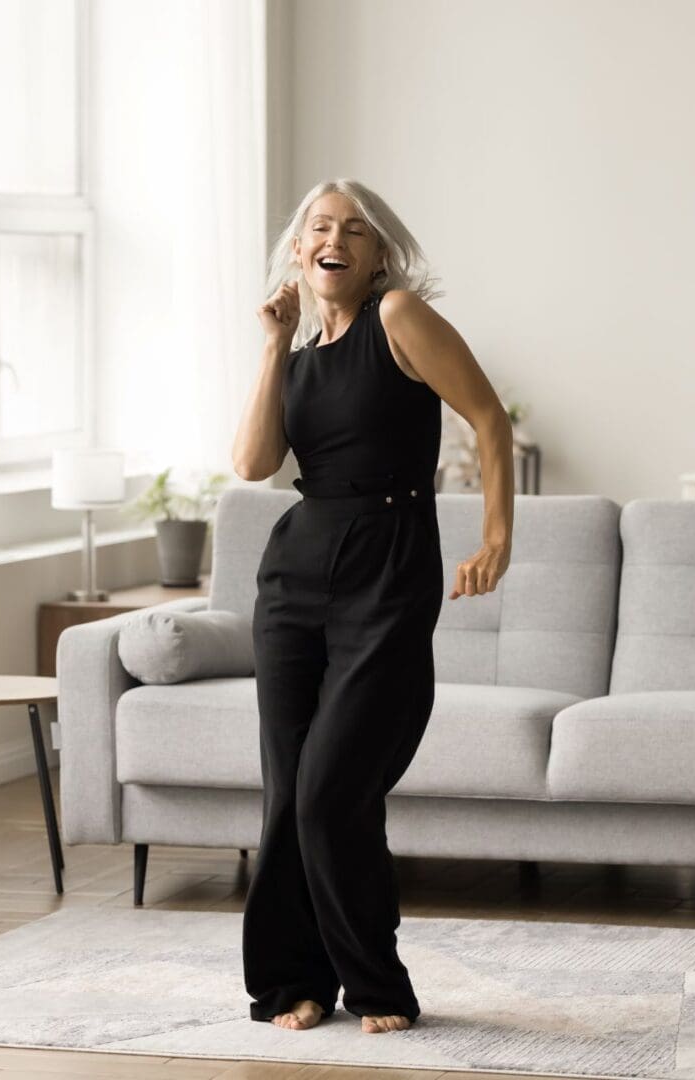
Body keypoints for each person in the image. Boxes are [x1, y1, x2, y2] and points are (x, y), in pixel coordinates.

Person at [231, 179, 515, 1033]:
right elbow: (252, 464)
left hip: (388, 566)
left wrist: (496, 537)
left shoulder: (398, 317)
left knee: (331, 791)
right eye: (320, 227)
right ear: (298, 250)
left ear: (378, 252)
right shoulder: (301, 348)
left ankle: (379, 985)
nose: (336, 239)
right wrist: (274, 344)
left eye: (355, 229)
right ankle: (292, 982)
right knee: (289, 795)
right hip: (295, 575)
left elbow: (488, 419)